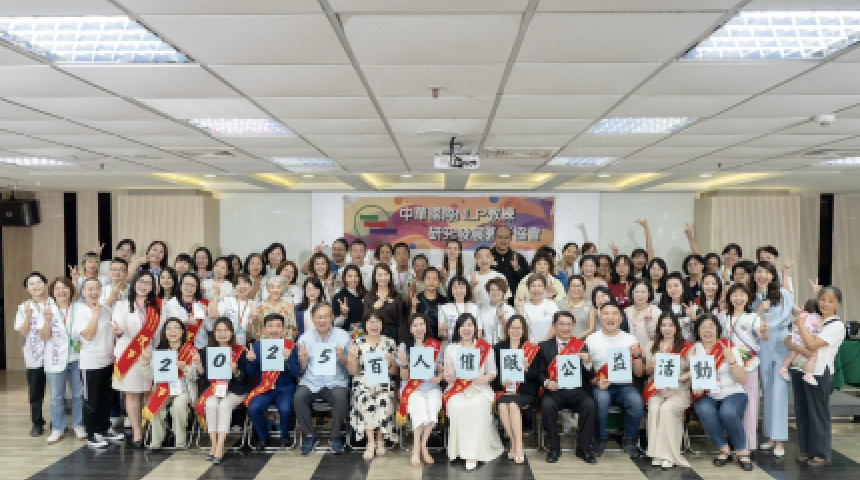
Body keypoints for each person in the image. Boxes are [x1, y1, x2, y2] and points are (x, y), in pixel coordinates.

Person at [787, 286, 845, 467]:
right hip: (801, 369)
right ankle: (806, 450)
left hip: (819, 373)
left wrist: (800, 324)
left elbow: (812, 344)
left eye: (830, 301)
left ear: (838, 305)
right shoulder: (816, 318)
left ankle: (821, 454)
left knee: (818, 413)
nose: (825, 303)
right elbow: (791, 340)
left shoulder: (836, 325)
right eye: (822, 299)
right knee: (803, 412)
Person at [690, 313, 753, 471]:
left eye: (711, 326)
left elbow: (742, 379)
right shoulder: (694, 349)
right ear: (698, 331)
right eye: (703, 327)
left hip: (733, 392)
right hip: (707, 394)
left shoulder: (727, 346)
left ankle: (741, 450)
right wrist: (695, 386)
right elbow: (691, 375)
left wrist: (731, 359)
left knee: (728, 412)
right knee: (704, 409)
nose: (707, 330)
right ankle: (723, 448)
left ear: (718, 329)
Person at [442, 313, 503, 471]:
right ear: (458, 329)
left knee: (478, 407)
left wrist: (484, 379)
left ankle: (472, 454)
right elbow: (448, 375)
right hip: (457, 390)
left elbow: (493, 372)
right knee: (456, 406)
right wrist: (449, 377)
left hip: (479, 389)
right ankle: (458, 451)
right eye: (463, 325)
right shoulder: (451, 349)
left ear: (475, 328)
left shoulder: (484, 347)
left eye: (470, 324)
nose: (466, 328)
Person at [536, 311, 597, 464]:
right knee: (547, 405)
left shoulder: (581, 346)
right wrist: (547, 383)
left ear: (574, 327)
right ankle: (554, 448)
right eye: (562, 324)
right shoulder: (543, 347)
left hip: (577, 391)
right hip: (554, 391)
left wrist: (587, 362)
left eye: (569, 324)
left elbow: (590, 376)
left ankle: (584, 449)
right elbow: (538, 373)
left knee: (590, 404)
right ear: (554, 326)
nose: (565, 328)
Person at [586, 301, 644, 458]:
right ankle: (600, 438)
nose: (610, 317)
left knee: (636, 403)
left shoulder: (630, 339)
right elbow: (586, 373)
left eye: (614, 314)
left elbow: (639, 373)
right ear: (600, 317)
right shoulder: (591, 340)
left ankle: (630, 440)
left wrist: (637, 356)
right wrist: (596, 382)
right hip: (600, 385)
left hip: (625, 386)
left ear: (621, 318)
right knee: (601, 401)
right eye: (606, 314)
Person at [112, 270, 162, 448]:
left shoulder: (159, 306)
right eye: (140, 281)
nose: (143, 285)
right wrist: (119, 331)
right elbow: (119, 326)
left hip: (151, 355)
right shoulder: (122, 305)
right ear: (134, 284)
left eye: (148, 282)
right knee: (133, 394)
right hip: (129, 355)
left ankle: (148, 429)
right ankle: (137, 433)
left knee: (148, 393)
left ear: (153, 287)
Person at [295, 302, 352, 455]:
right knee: (299, 397)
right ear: (313, 319)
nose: (322, 320)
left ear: (332, 317)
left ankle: (335, 436)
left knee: (340, 397)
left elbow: (351, 366)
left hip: (335, 381)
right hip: (311, 381)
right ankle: (310, 435)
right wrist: (303, 360)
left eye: (326, 316)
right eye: (319, 317)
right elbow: (301, 369)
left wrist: (342, 357)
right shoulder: (304, 338)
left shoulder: (343, 336)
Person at [751, 260, 793, 458]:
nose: (762, 275)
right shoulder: (754, 297)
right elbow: (749, 321)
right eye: (759, 272)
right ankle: (769, 435)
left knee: (779, 391)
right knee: (767, 391)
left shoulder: (782, 294)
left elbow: (787, 310)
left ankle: (780, 439)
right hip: (763, 346)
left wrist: (786, 274)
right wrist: (759, 310)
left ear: (772, 275)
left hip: (781, 344)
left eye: (766, 272)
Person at [76, 278, 124, 448]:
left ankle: (104, 428)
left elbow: (112, 334)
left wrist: (118, 333)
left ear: (101, 291)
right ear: (83, 292)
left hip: (108, 361)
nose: (93, 292)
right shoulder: (80, 312)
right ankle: (92, 433)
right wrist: (95, 315)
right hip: (90, 364)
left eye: (96, 289)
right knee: (92, 401)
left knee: (106, 399)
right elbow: (88, 336)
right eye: (89, 289)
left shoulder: (107, 310)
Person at [193, 318, 249, 464]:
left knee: (224, 405)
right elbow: (203, 376)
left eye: (226, 330)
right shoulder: (206, 351)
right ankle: (213, 444)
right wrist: (199, 365)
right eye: (218, 330)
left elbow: (247, 377)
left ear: (231, 333)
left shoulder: (240, 351)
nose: (222, 333)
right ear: (214, 333)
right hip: (214, 389)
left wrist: (236, 371)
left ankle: (220, 446)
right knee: (210, 404)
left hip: (236, 390)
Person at [721, 283, 768, 456]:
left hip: (749, 366)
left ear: (748, 298)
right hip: (730, 366)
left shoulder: (753, 317)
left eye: (742, 295)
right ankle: (733, 441)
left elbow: (762, 335)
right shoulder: (724, 317)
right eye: (735, 295)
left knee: (750, 405)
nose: (738, 298)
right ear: (729, 298)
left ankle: (748, 444)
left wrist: (764, 332)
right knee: (730, 404)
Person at [643, 311, 693, 469]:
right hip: (657, 390)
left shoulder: (687, 347)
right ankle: (656, 454)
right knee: (654, 407)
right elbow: (646, 372)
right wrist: (649, 367)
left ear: (677, 327)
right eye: (663, 325)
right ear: (659, 327)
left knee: (667, 409)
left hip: (679, 391)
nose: (667, 328)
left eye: (670, 325)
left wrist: (681, 378)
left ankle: (670, 455)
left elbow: (694, 370)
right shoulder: (651, 346)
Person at [245, 313, 301, 450]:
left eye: (278, 326)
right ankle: (263, 437)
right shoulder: (256, 347)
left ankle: (285, 437)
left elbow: (296, 373)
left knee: (285, 409)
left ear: (283, 329)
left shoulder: (290, 346)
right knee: (253, 408)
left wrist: (288, 359)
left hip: (285, 388)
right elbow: (250, 375)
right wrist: (251, 362)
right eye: (270, 326)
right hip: (264, 388)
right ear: (264, 329)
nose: (274, 329)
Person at [347, 310, 398, 460]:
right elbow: (353, 372)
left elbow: (394, 371)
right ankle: (370, 442)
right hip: (363, 380)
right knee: (365, 399)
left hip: (384, 381)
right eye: (370, 322)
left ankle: (380, 439)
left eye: (377, 321)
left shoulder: (389, 342)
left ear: (382, 325)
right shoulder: (357, 342)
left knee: (384, 399)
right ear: (365, 325)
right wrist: (351, 358)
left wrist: (390, 363)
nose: (374, 325)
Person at [141, 317, 197, 450]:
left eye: (176, 328)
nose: (172, 331)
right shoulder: (160, 352)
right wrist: (146, 363)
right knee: (156, 405)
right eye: (169, 329)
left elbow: (196, 377)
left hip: (184, 390)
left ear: (182, 331)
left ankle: (180, 442)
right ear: (165, 333)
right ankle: (156, 442)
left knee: (178, 406)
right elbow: (149, 376)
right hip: (164, 390)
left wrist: (186, 368)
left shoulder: (191, 351)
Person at [395, 313, 443, 467]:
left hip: (431, 386)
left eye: (422, 324)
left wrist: (440, 376)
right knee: (420, 406)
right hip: (412, 387)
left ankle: (424, 446)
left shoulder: (435, 346)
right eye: (415, 325)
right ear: (410, 329)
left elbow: (441, 369)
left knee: (433, 406)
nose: (419, 328)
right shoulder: (404, 347)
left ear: (426, 327)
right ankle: (416, 449)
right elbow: (403, 377)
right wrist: (404, 363)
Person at [43, 277, 86, 442]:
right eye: (57, 288)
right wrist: (47, 321)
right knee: (56, 396)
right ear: (52, 293)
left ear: (71, 290)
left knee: (79, 394)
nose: (61, 291)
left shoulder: (80, 308)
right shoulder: (46, 309)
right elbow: (44, 336)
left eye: (65, 287)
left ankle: (78, 425)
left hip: (78, 357)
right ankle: (57, 428)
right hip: (55, 358)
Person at [493, 315, 540, 464]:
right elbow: (493, 373)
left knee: (512, 405)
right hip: (505, 390)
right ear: (507, 329)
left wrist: (527, 369)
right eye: (512, 327)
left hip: (524, 391)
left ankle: (518, 447)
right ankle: (514, 443)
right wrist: (501, 381)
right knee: (502, 405)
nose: (515, 331)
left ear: (524, 330)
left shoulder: (532, 349)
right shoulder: (498, 348)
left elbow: (538, 376)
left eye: (519, 328)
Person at [15, 272, 50, 436]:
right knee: (36, 391)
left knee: (57, 392)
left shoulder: (54, 303)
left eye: (39, 282)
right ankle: (37, 422)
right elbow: (23, 332)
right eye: (32, 284)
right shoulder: (23, 308)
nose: (36, 286)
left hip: (55, 354)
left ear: (45, 284)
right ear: (27, 289)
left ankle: (58, 422)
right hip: (34, 355)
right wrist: (28, 316)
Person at [782, 300, 823, 385]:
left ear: (804, 307)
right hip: (804, 340)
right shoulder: (815, 317)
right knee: (813, 356)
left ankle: (784, 369)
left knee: (792, 355)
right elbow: (817, 328)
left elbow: (793, 327)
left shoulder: (800, 316)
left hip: (795, 339)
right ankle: (809, 374)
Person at [210, 273, 257, 346]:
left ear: (250, 286)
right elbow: (213, 315)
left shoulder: (253, 304)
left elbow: (254, 330)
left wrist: (254, 319)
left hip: (245, 341)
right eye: (238, 284)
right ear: (234, 287)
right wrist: (216, 296)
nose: (242, 286)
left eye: (245, 283)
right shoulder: (228, 300)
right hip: (226, 341)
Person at [164, 272, 209, 348]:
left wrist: (207, 314)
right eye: (186, 284)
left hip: (200, 346)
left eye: (192, 285)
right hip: (177, 347)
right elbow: (167, 327)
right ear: (180, 286)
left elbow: (210, 327)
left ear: (196, 288)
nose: (189, 288)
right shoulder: (170, 304)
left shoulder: (201, 304)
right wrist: (185, 323)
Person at [251, 276, 299, 342]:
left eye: (278, 287)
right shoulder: (259, 307)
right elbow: (253, 331)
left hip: (284, 344)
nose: (275, 290)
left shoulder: (289, 307)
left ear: (283, 289)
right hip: (263, 343)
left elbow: (293, 329)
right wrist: (254, 320)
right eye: (272, 287)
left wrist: (282, 341)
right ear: (268, 289)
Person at [363, 263, 403, 342]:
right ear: (375, 277)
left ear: (390, 276)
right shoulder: (368, 297)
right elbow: (365, 320)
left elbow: (401, 321)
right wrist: (374, 308)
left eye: (386, 274)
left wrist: (401, 342)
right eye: (380, 275)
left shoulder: (397, 296)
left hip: (392, 334)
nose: (383, 278)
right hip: (374, 333)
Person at [490, 226, 529, 306]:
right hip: (491, 302)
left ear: (511, 238)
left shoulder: (518, 257)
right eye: (500, 237)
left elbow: (527, 280)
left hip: (514, 302)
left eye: (506, 237)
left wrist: (517, 269)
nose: (503, 240)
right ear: (494, 238)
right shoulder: (488, 257)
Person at [517, 273, 559, 343]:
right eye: (533, 286)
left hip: (549, 344)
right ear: (528, 289)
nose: (536, 289)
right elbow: (520, 327)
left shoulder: (552, 305)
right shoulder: (523, 306)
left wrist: (543, 343)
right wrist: (520, 307)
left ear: (544, 288)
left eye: (539, 286)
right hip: (530, 345)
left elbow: (556, 326)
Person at [438, 275, 480, 342]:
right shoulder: (443, 308)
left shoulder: (475, 307)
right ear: (450, 290)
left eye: (461, 287)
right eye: (455, 288)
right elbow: (441, 334)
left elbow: (479, 331)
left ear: (467, 289)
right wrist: (443, 332)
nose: (458, 290)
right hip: (451, 344)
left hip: (471, 345)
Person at [408, 267, 445, 340]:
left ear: (439, 282)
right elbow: (411, 322)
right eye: (428, 278)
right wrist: (413, 307)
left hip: (440, 341)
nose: (431, 282)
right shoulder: (416, 299)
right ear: (423, 281)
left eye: (434, 279)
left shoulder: (444, 301)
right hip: (421, 340)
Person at [659, 272, 698, 342]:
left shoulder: (693, 307)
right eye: (669, 286)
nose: (673, 289)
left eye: (676, 285)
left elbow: (700, 332)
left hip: (689, 345)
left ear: (683, 287)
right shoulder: (661, 309)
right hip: (669, 345)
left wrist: (694, 319)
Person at [332, 264, 368, 336]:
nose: (353, 279)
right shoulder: (339, 297)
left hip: (367, 335)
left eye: (356, 276)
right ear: (344, 278)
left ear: (359, 278)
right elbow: (335, 324)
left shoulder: (366, 294)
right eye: (350, 276)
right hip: (347, 336)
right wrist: (344, 315)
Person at [478, 278, 515, 345]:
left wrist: (503, 320)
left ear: (503, 292)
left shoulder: (510, 310)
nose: (495, 292)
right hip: (487, 346)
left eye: (498, 290)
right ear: (488, 292)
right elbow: (480, 331)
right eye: (492, 290)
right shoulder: (482, 310)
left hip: (504, 345)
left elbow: (513, 332)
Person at [626, 279, 661, 349]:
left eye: (643, 292)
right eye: (637, 292)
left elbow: (658, 337)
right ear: (632, 293)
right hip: (628, 352)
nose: (640, 295)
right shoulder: (626, 311)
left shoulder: (656, 312)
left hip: (648, 353)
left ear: (649, 294)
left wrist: (649, 324)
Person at [565, 275, 594, 339]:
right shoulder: (560, 304)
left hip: (584, 342)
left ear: (584, 289)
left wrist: (575, 340)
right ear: (568, 288)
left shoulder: (590, 305)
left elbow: (591, 328)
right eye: (573, 286)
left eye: (579, 286)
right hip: (564, 342)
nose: (576, 289)